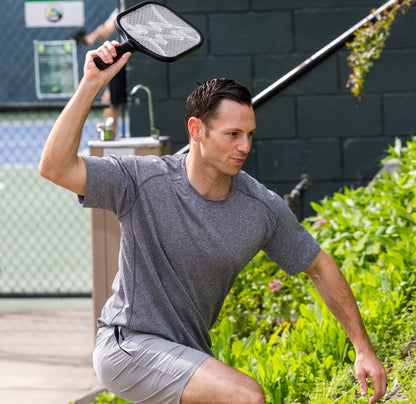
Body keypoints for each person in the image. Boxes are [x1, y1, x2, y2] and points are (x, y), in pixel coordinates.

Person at [39, 41, 387, 404]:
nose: (244, 147)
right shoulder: (143, 180)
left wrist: (363, 349)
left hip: (188, 354)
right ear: (196, 130)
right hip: (127, 344)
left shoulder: (261, 208)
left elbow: (320, 266)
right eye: (232, 134)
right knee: (245, 395)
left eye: (249, 134)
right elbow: (55, 167)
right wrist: (91, 84)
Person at [83, 2, 126, 135]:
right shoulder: (121, 8)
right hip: (127, 59)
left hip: (136, 58)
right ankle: (110, 138)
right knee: (109, 99)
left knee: (109, 99)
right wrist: (92, 37)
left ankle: (110, 137)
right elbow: (107, 28)